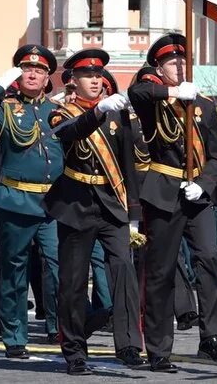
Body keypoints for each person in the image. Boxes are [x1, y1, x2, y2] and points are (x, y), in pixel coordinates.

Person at [128, 34, 217, 370]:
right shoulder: (155, 98)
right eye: (173, 62)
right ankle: (159, 347)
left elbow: (216, 156)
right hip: (164, 188)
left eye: (184, 61)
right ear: (159, 66)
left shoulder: (205, 105)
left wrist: (204, 184)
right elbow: (136, 91)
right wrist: (172, 92)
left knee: (209, 259)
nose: (180, 66)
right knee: (161, 269)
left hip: (196, 194)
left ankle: (212, 336)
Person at [47, 48, 144, 374]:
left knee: (124, 272)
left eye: (98, 75)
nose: (94, 80)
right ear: (73, 80)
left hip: (112, 202)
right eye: (87, 75)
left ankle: (129, 344)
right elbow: (68, 134)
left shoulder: (118, 113)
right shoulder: (61, 112)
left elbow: (127, 164)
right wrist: (98, 111)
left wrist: (133, 212)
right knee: (74, 282)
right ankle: (74, 350)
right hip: (76, 203)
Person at [0, 44, 63, 357]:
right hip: (17, 200)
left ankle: (57, 325)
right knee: (15, 271)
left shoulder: (56, 111)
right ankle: (15, 336)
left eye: (39, 70)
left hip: (52, 204)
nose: (32, 73)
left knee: (58, 264)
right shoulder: (7, 109)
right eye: (26, 68)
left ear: (49, 77)